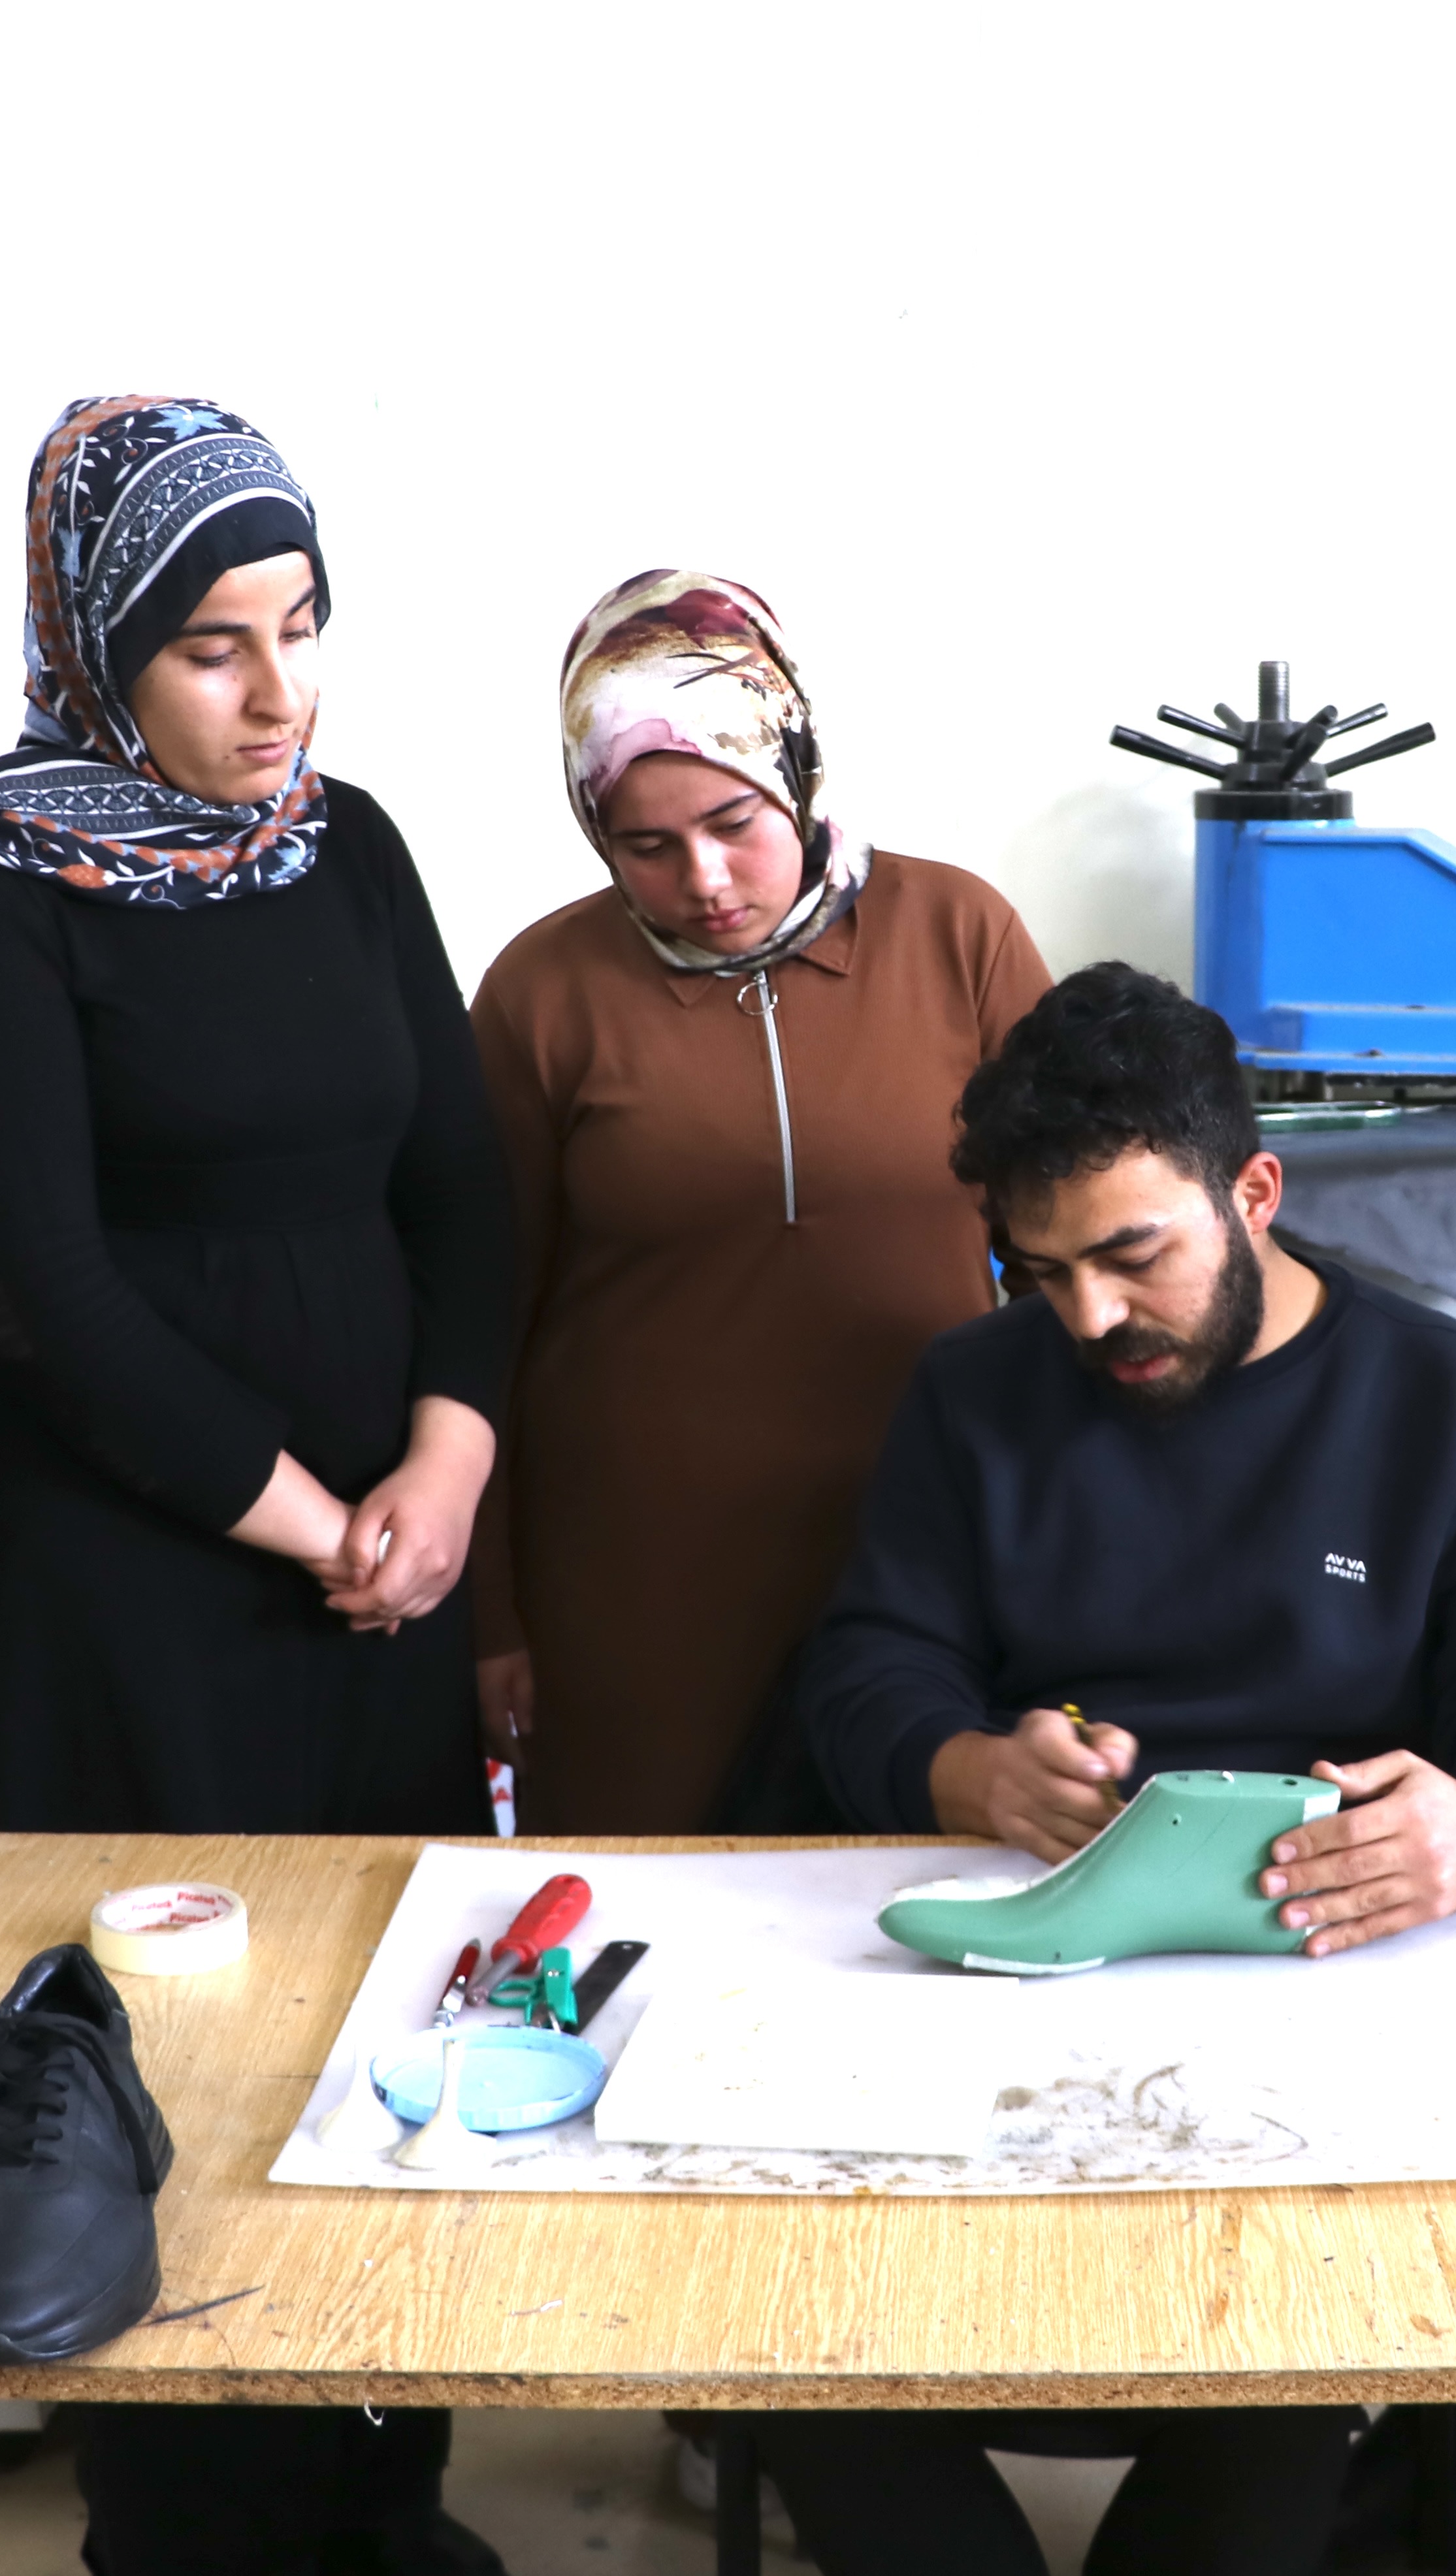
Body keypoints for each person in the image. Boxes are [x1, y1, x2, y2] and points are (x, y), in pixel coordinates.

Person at [0, 396, 514, 2576]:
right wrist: (318, 1525)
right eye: (213, 647)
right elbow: (24, 1290)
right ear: (96, 647)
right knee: (168, 2062)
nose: (274, 692)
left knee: (389, 2029)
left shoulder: (352, 847)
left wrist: (444, 1465)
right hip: (126, 1586)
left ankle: (383, 2502)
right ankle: (191, 2542)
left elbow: (463, 1190)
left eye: (301, 628)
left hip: (386, 1574)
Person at [764, 962, 1456, 2576]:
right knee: (789, 2333)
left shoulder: (1447, 1396)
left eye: (1132, 1255)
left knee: (1279, 2341)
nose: (1089, 1319)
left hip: (1318, 1984)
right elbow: (869, 1665)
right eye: (1039, 1271)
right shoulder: (976, 1389)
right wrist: (972, 1765)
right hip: (1018, 1964)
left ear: (1256, 1190)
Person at [469, 568, 1049, 1831]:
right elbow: (480, 1321)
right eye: (647, 847)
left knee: (911, 1892)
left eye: (736, 821)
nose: (707, 877)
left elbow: (1079, 1251)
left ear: (797, 772)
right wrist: (493, 1616)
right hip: (632, 1589)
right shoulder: (542, 993)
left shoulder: (961, 936)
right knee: (638, 1904)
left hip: (923, 1559)